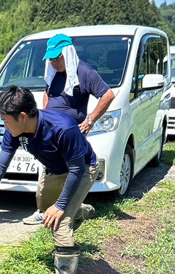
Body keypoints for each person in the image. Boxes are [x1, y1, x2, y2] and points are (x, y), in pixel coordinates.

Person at [0, 86, 100, 274]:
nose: (4, 126)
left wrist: (62, 206)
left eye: (6, 122)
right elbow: (0, 167)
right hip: (54, 170)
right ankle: (79, 210)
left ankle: (65, 267)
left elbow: (77, 169)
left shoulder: (63, 128)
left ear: (23, 116)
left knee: (59, 222)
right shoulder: (15, 131)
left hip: (82, 169)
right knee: (45, 206)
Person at [22, 33, 115, 225]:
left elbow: (108, 95)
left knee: (71, 174)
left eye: (58, 58)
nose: (54, 62)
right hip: (50, 135)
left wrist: (90, 120)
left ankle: (69, 213)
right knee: (48, 177)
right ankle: (48, 208)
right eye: (51, 59)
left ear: (68, 53)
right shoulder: (54, 73)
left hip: (70, 137)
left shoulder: (85, 72)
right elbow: (48, 94)